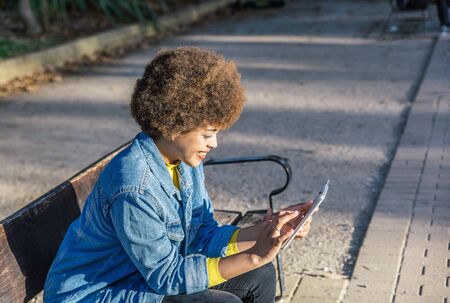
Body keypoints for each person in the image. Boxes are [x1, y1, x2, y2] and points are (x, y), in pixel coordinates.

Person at [43, 47, 314, 303]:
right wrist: (254, 256)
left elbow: (202, 236)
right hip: (97, 293)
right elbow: (167, 277)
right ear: (174, 124)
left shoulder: (182, 161)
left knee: (260, 275)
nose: (214, 144)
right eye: (207, 134)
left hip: (137, 277)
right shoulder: (133, 187)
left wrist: (268, 232)